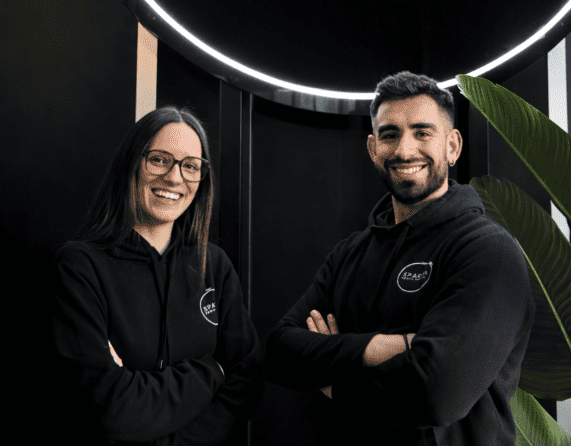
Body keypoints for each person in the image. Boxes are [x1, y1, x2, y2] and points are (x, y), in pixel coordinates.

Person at [265, 71, 535, 446]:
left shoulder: (488, 250)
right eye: (390, 134)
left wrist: (333, 380)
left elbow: (439, 393)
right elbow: (280, 352)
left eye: (422, 133)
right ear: (373, 148)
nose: (405, 151)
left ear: (452, 146)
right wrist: (386, 347)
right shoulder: (349, 253)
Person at [52, 106, 263, 446]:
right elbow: (111, 408)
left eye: (190, 166)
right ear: (132, 164)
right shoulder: (80, 267)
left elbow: (246, 383)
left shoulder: (214, 266)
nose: (175, 178)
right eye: (160, 160)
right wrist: (211, 371)